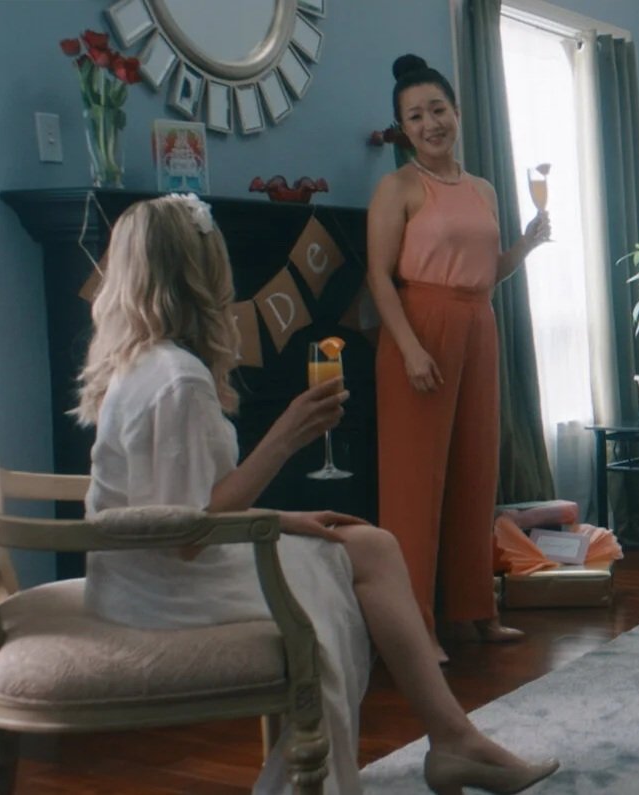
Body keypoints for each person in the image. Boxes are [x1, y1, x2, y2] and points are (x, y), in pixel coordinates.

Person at [73, 195, 557, 794]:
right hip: (164, 590)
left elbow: (180, 506)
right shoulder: (177, 379)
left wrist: (283, 517)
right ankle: (447, 742)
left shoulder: (142, 363)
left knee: (370, 544)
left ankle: (453, 739)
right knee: (355, 563)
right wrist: (286, 437)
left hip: (132, 574)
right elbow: (189, 533)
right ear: (199, 273)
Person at [367, 54, 549, 651]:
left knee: (476, 471)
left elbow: (485, 272)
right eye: (415, 117)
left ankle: (476, 610)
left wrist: (525, 245)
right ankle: (415, 629)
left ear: (457, 112)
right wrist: (410, 348)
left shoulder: (482, 189)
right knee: (415, 483)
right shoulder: (398, 188)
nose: (430, 124)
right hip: (419, 326)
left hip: (478, 323)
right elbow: (378, 278)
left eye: (437, 110)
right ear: (403, 128)